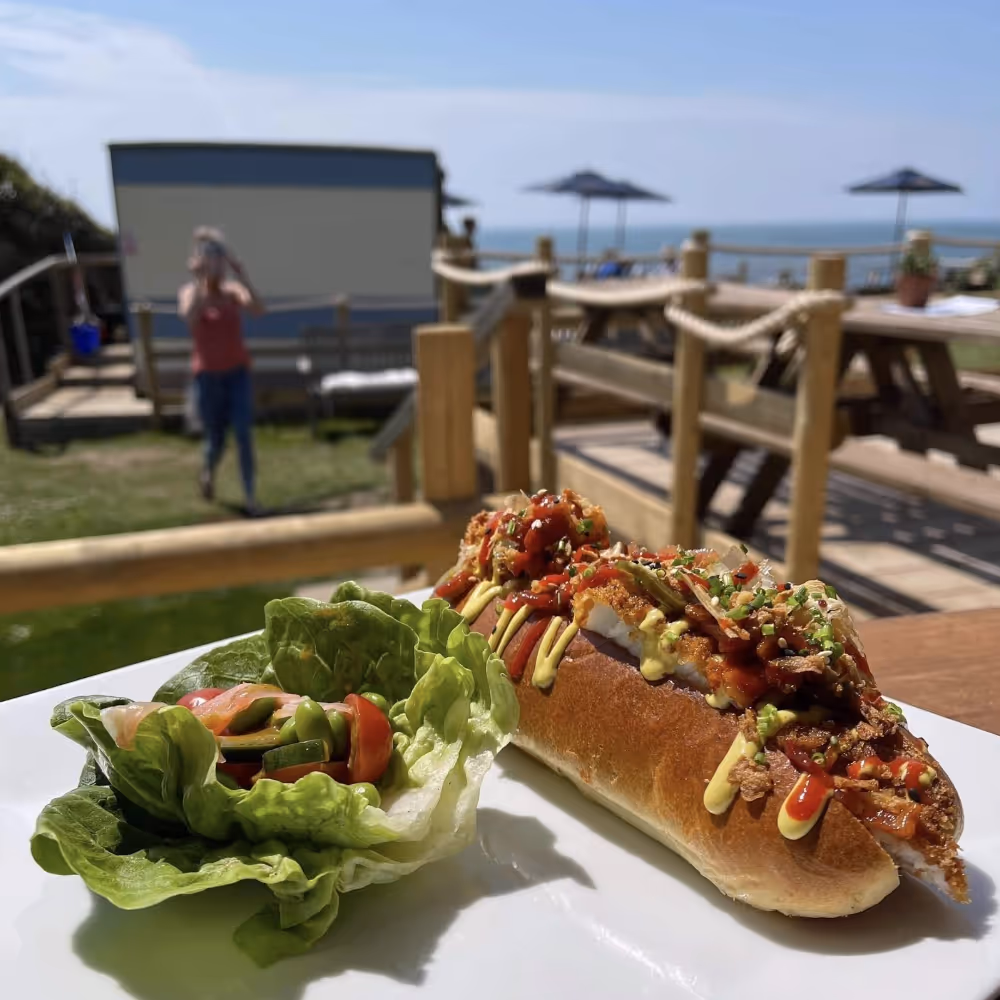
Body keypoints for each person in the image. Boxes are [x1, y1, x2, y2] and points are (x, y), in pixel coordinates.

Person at [178, 227, 264, 514]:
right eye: (210, 257)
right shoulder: (190, 292)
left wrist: (242, 275)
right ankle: (208, 472)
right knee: (216, 441)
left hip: (237, 373)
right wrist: (200, 281)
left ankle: (250, 496)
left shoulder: (232, 292)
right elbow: (190, 318)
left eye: (219, 258)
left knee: (243, 432)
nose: (216, 264)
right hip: (208, 378)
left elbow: (258, 309)